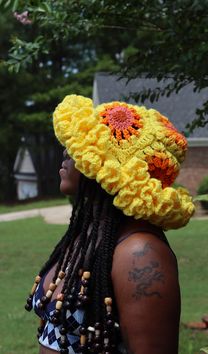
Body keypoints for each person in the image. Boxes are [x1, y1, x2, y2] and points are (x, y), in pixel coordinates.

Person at [25, 95, 195, 354]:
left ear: (113, 170)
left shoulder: (140, 253)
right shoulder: (91, 236)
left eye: (80, 149)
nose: (65, 153)